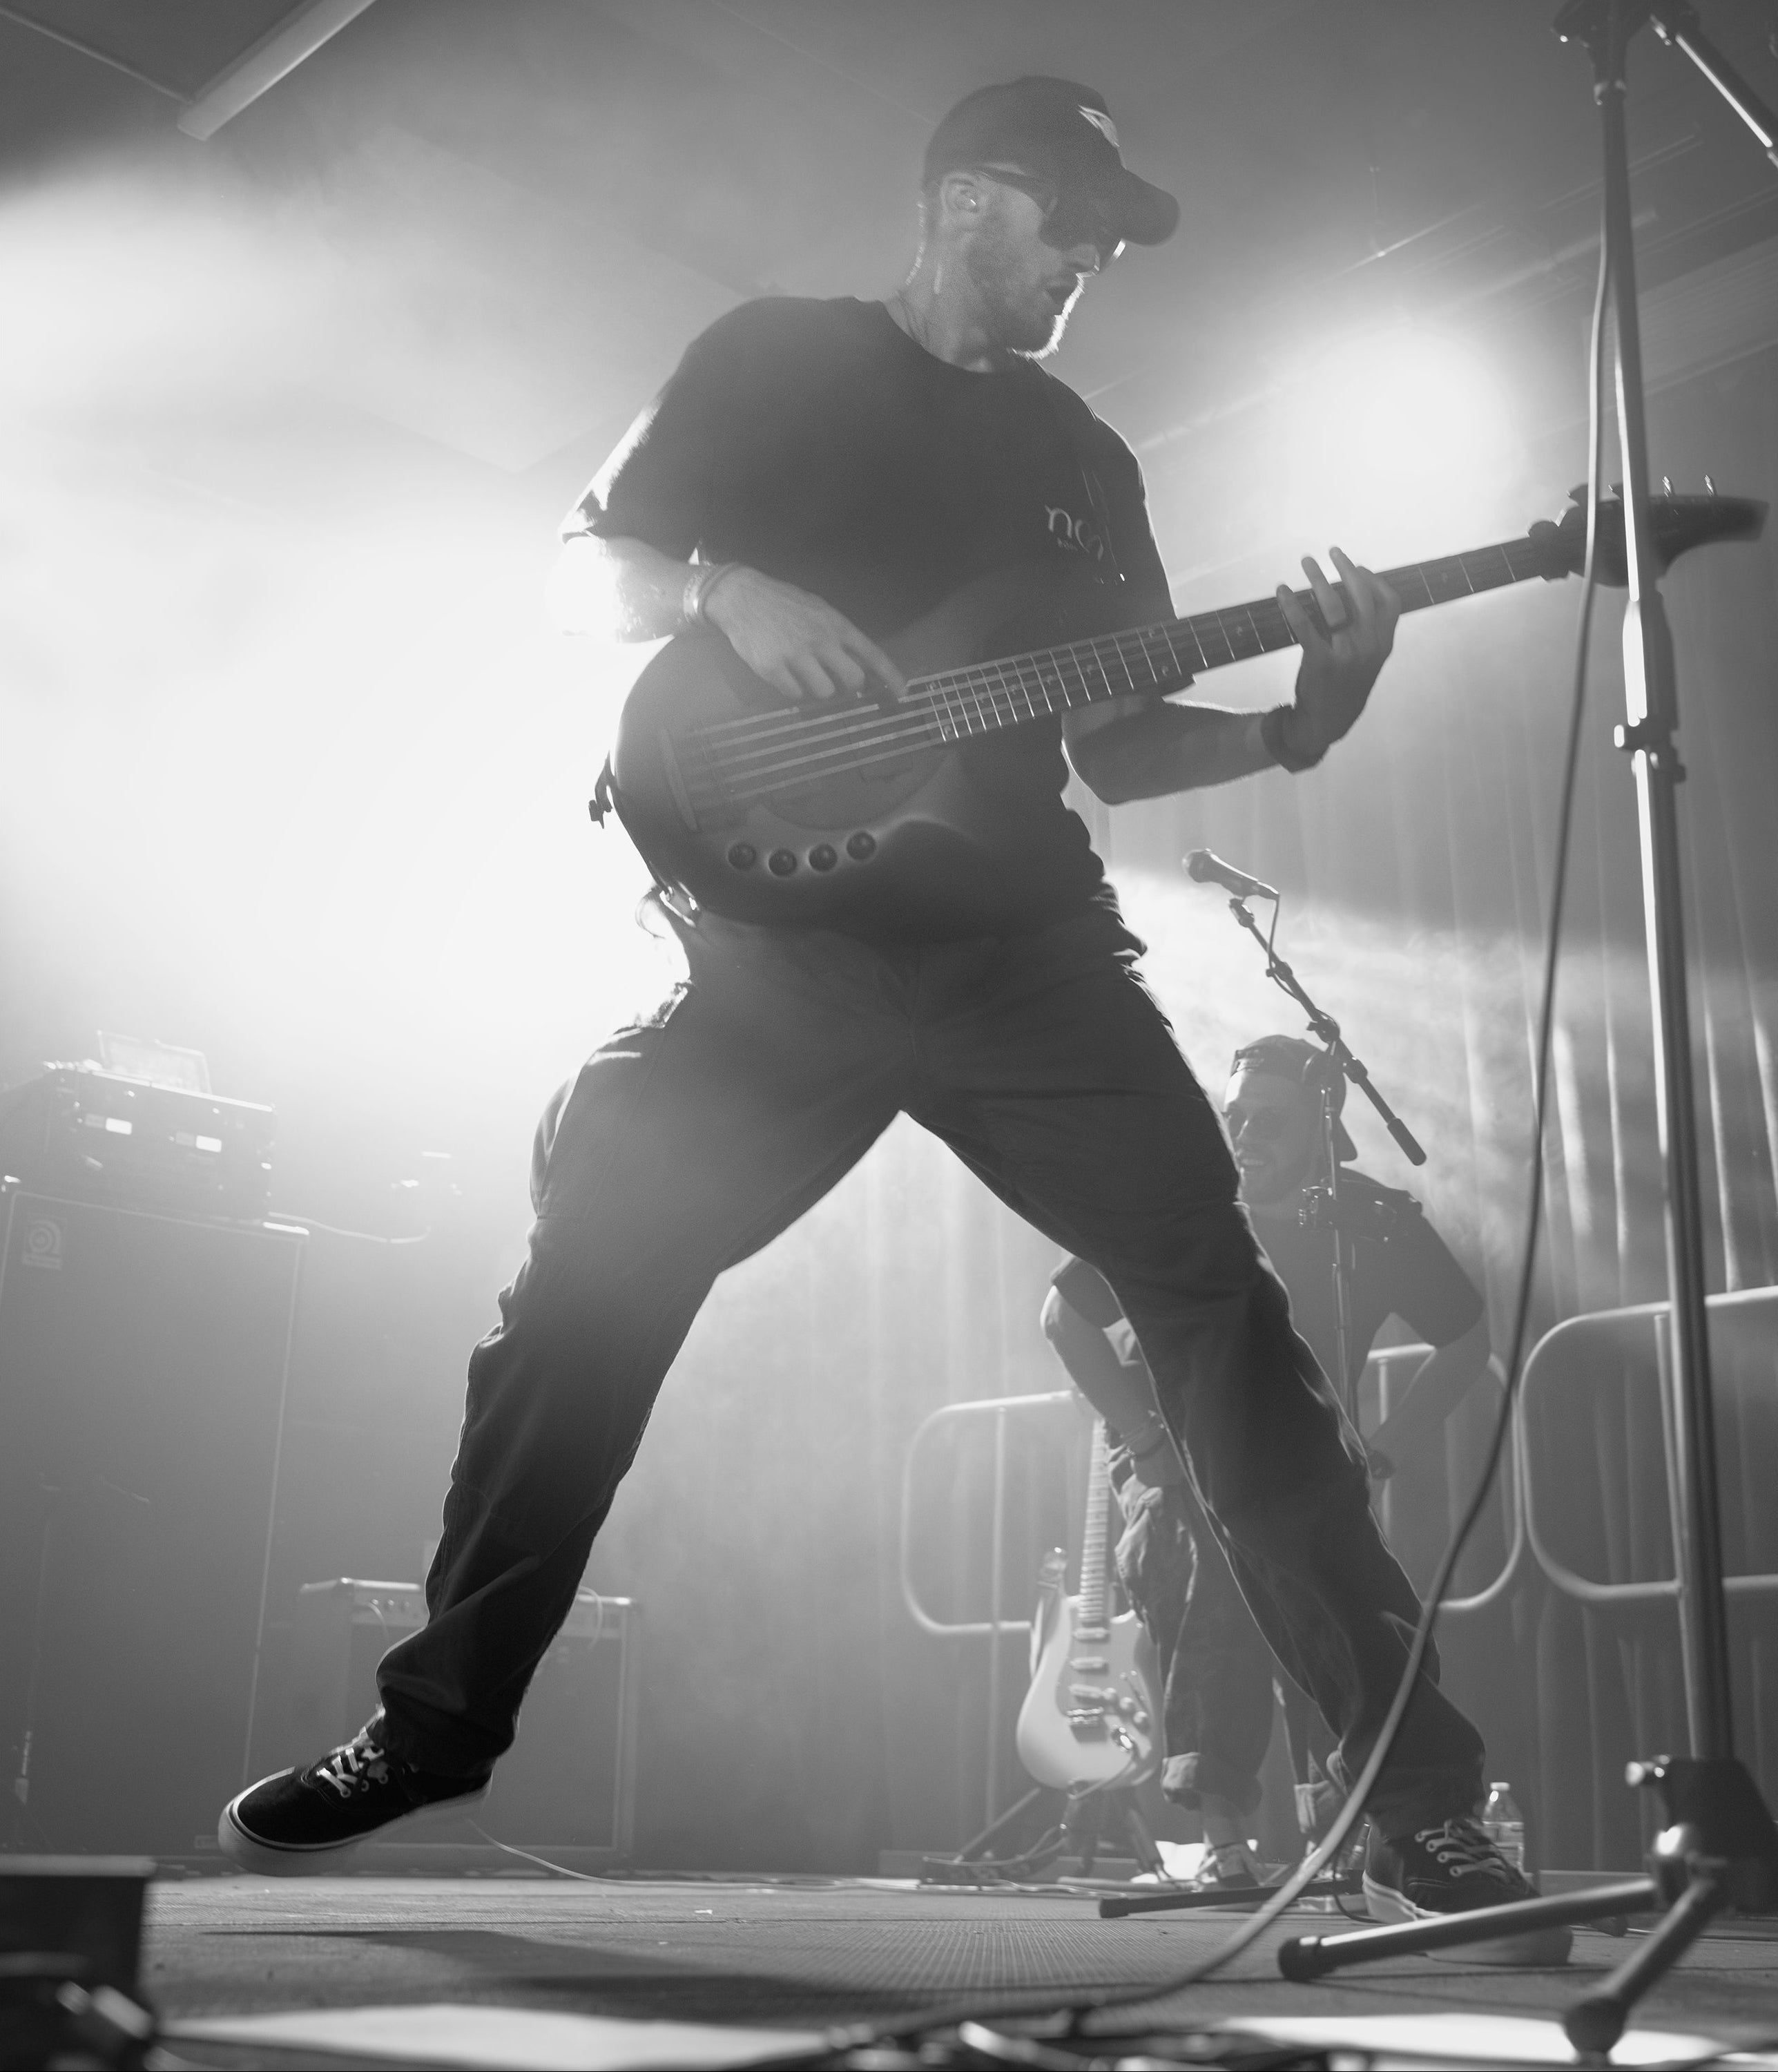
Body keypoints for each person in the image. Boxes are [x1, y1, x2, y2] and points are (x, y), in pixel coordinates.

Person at [218, 75, 1562, 1961]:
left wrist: (1293, 723)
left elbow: (1117, 738)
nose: (1089, 260)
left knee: (1223, 1321)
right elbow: (579, 570)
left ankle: (1412, 1803)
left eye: (1106, 240)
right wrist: (724, 588)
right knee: (577, 1298)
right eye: (1066, 220)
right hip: (778, 964)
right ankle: (429, 1727)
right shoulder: (774, 359)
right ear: (963, 201)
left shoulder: (1085, 460)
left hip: (1021, 954)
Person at [1043, 1035, 1491, 1897]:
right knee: (1218, 1610)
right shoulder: (1179, 1205)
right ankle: (1225, 1844)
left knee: (1347, 1622)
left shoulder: (1370, 1221)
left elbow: (1467, 1338)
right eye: (1234, 1115)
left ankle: (1350, 1832)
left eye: (1268, 1120)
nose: (1244, 1133)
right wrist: (1144, 1441)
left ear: (1322, 1127)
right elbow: (1063, 1320)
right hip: (1185, 1465)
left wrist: (1384, 1448)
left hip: (1307, 1467)